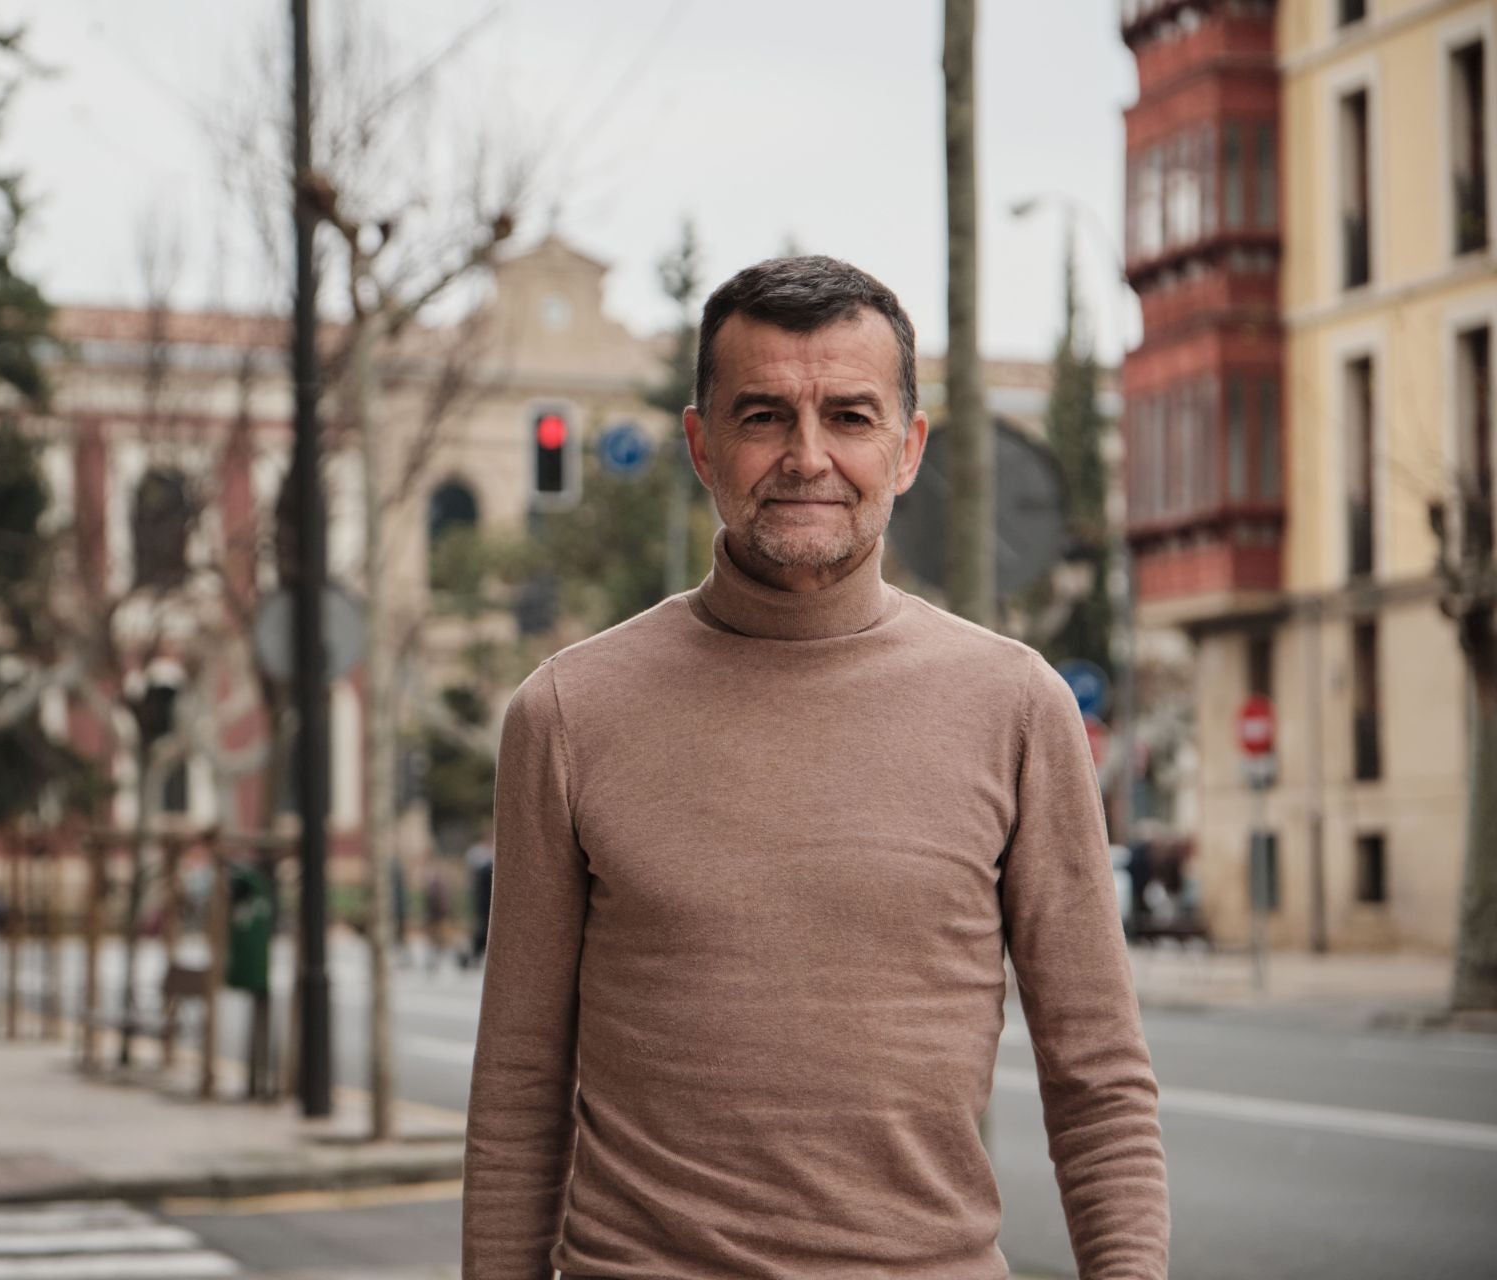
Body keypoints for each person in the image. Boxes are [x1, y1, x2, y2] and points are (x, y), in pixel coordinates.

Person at [462, 257, 1168, 1278]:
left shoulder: (1017, 706)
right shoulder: (569, 713)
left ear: (909, 447)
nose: (807, 455)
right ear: (702, 446)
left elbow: (1098, 1075)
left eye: (849, 415)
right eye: (762, 416)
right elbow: (520, 1085)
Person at [463, 829, 494, 967]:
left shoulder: (487, 858)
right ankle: (474, 956)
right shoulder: (479, 856)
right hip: (482, 900)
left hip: (486, 900)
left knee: (483, 928)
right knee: (482, 927)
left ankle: (476, 955)